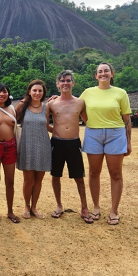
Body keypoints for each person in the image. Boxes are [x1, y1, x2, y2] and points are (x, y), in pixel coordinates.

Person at [79, 62, 132, 225]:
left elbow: (127, 119)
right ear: (96, 76)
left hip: (115, 133)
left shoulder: (120, 93)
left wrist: (128, 142)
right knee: (94, 172)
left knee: (115, 173)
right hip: (93, 133)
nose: (103, 73)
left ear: (112, 74)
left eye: (106, 71)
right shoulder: (87, 93)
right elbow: (77, 108)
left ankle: (114, 210)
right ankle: (96, 207)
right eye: (100, 71)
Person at [48, 70, 93, 224]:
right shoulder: (52, 103)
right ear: (57, 84)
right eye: (62, 80)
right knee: (55, 175)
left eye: (68, 80)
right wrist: (54, 130)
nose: (65, 83)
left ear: (73, 83)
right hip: (57, 142)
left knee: (79, 176)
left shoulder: (80, 103)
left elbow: (89, 121)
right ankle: (59, 206)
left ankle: (84, 207)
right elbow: (43, 121)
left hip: (73, 143)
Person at [15, 80, 51, 219]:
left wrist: (65, 132)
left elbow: (47, 126)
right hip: (27, 145)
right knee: (28, 180)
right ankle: (26, 206)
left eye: (40, 91)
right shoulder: (22, 106)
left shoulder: (46, 107)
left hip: (43, 145)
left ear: (43, 93)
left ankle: (34, 207)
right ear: (29, 91)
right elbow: (12, 121)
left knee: (38, 180)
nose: (37, 93)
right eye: (34, 90)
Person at [0, 83, 20, 223]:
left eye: (4, 92)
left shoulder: (12, 109)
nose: (1, 94)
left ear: (8, 94)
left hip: (10, 146)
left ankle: (10, 210)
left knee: (10, 180)